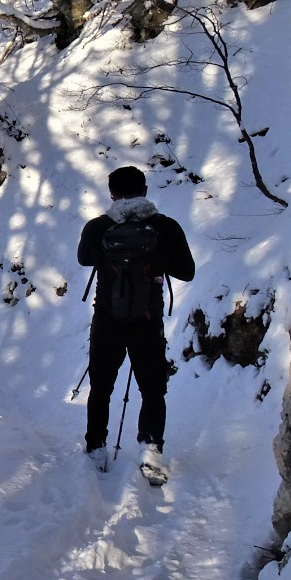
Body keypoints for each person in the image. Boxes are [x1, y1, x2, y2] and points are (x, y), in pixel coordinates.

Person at [78, 166, 195, 484]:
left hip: (107, 320)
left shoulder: (99, 226)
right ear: (144, 191)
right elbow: (187, 271)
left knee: (101, 387)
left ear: (112, 193)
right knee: (152, 390)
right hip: (147, 321)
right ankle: (151, 453)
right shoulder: (165, 227)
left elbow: (84, 259)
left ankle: (96, 449)